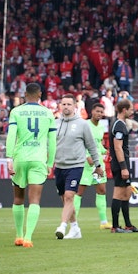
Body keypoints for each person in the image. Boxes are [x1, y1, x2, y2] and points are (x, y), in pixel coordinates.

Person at [7, 83, 57, 247]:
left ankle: (18, 236)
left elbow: (11, 136)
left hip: (20, 158)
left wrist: (9, 159)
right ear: (40, 94)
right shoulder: (48, 113)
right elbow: (52, 141)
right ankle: (28, 238)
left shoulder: (16, 111)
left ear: (25, 94)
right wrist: (50, 162)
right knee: (34, 200)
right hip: (38, 159)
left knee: (18, 198)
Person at [53, 94, 103, 240]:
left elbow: (92, 146)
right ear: (60, 106)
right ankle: (75, 228)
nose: (66, 107)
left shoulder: (83, 124)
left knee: (69, 196)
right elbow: (50, 145)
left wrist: (98, 165)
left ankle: (62, 226)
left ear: (75, 106)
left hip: (75, 165)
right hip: (59, 166)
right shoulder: (55, 124)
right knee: (64, 199)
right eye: (64, 104)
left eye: (69, 104)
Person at [75, 101, 110, 230]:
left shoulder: (101, 127)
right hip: (85, 164)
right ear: (92, 112)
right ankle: (73, 221)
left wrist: (104, 150)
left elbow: (98, 144)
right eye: (97, 111)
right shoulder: (85, 125)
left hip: (98, 164)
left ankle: (104, 222)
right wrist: (86, 156)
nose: (99, 114)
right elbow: (79, 142)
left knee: (102, 190)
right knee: (79, 192)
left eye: (101, 112)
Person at [109, 99, 138, 233]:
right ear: (124, 110)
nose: (133, 111)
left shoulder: (121, 124)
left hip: (124, 163)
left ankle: (128, 224)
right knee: (119, 193)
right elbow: (118, 147)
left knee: (127, 193)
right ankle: (115, 226)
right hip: (120, 164)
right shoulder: (119, 125)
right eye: (131, 109)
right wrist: (123, 167)